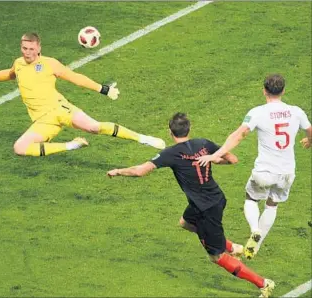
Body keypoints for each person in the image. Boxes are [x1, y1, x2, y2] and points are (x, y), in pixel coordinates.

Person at [107, 113, 275, 298]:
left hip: (206, 209)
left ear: (170, 131)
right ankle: (233, 248)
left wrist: (118, 171)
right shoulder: (203, 143)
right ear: (189, 128)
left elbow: (140, 171)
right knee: (185, 223)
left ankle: (263, 283)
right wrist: (212, 158)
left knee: (216, 257)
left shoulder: (170, 153)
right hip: (213, 199)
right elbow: (232, 159)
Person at [0, 32, 165, 157]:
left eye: (31, 49)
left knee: (94, 127)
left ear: (39, 48)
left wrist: (103, 89)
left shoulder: (49, 63)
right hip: (42, 121)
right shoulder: (18, 63)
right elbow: (9, 74)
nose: (27, 52)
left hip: (60, 109)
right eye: (24, 48)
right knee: (20, 148)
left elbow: (76, 78)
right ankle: (72, 145)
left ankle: (143, 138)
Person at [197, 74, 312, 259]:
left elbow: (239, 135)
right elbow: (310, 130)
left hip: (264, 172)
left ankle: (254, 229)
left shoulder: (258, 112)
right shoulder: (296, 111)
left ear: (264, 91)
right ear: (283, 91)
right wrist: (309, 141)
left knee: (251, 199)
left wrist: (215, 155)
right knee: (272, 205)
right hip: (287, 173)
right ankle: (256, 245)